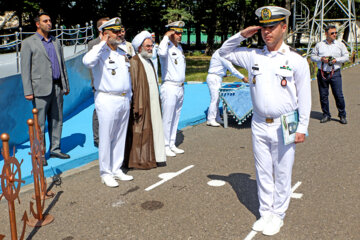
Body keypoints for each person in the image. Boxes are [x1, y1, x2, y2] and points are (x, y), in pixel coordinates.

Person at [219, 6, 311, 236]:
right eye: (263, 28)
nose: (266, 32)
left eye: (271, 27)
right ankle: (265, 212)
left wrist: (303, 128)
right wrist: (242, 35)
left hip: (286, 122)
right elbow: (224, 52)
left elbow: (305, 97)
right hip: (259, 122)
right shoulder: (254, 56)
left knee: (282, 171)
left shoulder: (295, 60)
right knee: (262, 170)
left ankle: (278, 214)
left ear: (283, 27)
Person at [82, 17, 133, 188]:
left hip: (124, 98)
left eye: (120, 31)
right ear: (105, 34)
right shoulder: (99, 52)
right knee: (106, 137)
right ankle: (105, 172)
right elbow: (87, 62)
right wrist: (101, 43)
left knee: (120, 135)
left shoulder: (121, 51)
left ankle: (116, 168)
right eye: (115, 31)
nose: (120, 34)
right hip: (107, 98)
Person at [21, 12, 70, 161]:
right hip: (39, 90)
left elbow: (62, 64)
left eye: (50, 20)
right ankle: (39, 154)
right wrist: (28, 91)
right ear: (38, 24)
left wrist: (65, 84)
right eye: (45, 21)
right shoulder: (29, 42)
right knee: (39, 124)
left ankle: (55, 148)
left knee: (57, 120)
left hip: (57, 87)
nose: (50, 23)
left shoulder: (55, 41)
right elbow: (25, 68)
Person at [124, 30, 166, 169]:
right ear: (140, 47)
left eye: (151, 45)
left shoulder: (149, 61)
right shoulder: (135, 62)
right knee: (141, 132)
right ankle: (139, 161)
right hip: (142, 103)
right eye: (148, 46)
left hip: (153, 102)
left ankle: (157, 157)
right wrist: (137, 105)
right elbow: (134, 86)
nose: (150, 48)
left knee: (155, 129)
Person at [310, 25, 349, 124]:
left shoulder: (340, 45)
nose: (335, 35)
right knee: (323, 95)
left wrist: (336, 60)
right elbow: (312, 56)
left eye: (335, 33)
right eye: (332, 33)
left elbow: (346, 56)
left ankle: (342, 115)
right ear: (326, 34)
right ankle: (326, 115)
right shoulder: (319, 45)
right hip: (322, 73)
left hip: (335, 73)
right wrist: (321, 59)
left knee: (338, 95)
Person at [158, 21, 186, 157]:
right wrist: (165, 37)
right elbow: (161, 53)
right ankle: (164, 145)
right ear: (170, 33)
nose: (180, 35)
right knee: (167, 118)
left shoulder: (179, 48)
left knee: (176, 117)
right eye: (177, 33)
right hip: (169, 86)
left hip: (180, 87)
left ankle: (172, 143)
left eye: (181, 33)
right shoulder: (166, 46)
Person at [206, 49, 248, 127]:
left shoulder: (220, 52)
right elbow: (232, 69)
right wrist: (243, 77)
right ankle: (210, 119)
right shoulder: (222, 54)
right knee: (214, 99)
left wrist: (223, 73)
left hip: (217, 77)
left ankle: (217, 117)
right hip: (214, 78)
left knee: (217, 99)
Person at [88, 17, 110, 148]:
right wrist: (94, 83)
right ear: (100, 29)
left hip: (110, 84)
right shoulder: (93, 43)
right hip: (99, 84)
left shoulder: (113, 42)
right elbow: (91, 65)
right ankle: (97, 138)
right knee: (98, 111)